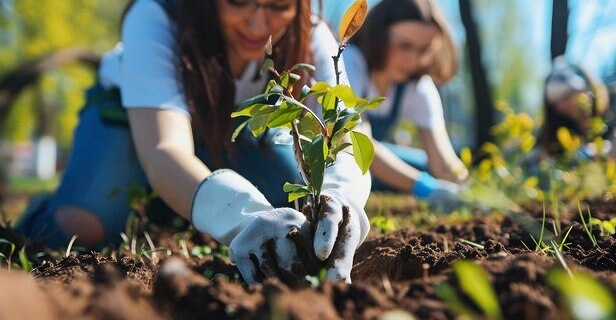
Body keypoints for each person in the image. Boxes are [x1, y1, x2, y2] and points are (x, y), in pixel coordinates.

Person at [15, 0, 371, 284]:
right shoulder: (157, 14)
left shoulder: (310, 34)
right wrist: (244, 216)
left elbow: (344, 131)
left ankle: (170, 206)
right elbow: (165, 149)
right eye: (238, 2)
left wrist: (342, 198)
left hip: (223, 130)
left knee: (290, 205)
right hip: (132, 122)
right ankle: (46, 212)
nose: (258, 25)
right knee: (82, 225)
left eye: (278, 5)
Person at [342, 0, 468, 211]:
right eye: (404, 45)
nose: (413, 59)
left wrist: (470, 190)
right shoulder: (350, 63)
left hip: (374, 165)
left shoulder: (417, 87)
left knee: (422, 164)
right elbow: (358, 144)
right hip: (339, 158)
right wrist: (425, 188)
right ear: (379, 36)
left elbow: (442, 160)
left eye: (424, 49)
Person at [539, 56, 613, 158]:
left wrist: (602, 150)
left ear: (587, 88)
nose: (562, 106)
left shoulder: (613, 105)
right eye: (555, 103)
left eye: (566, 96)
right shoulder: (561, 125)